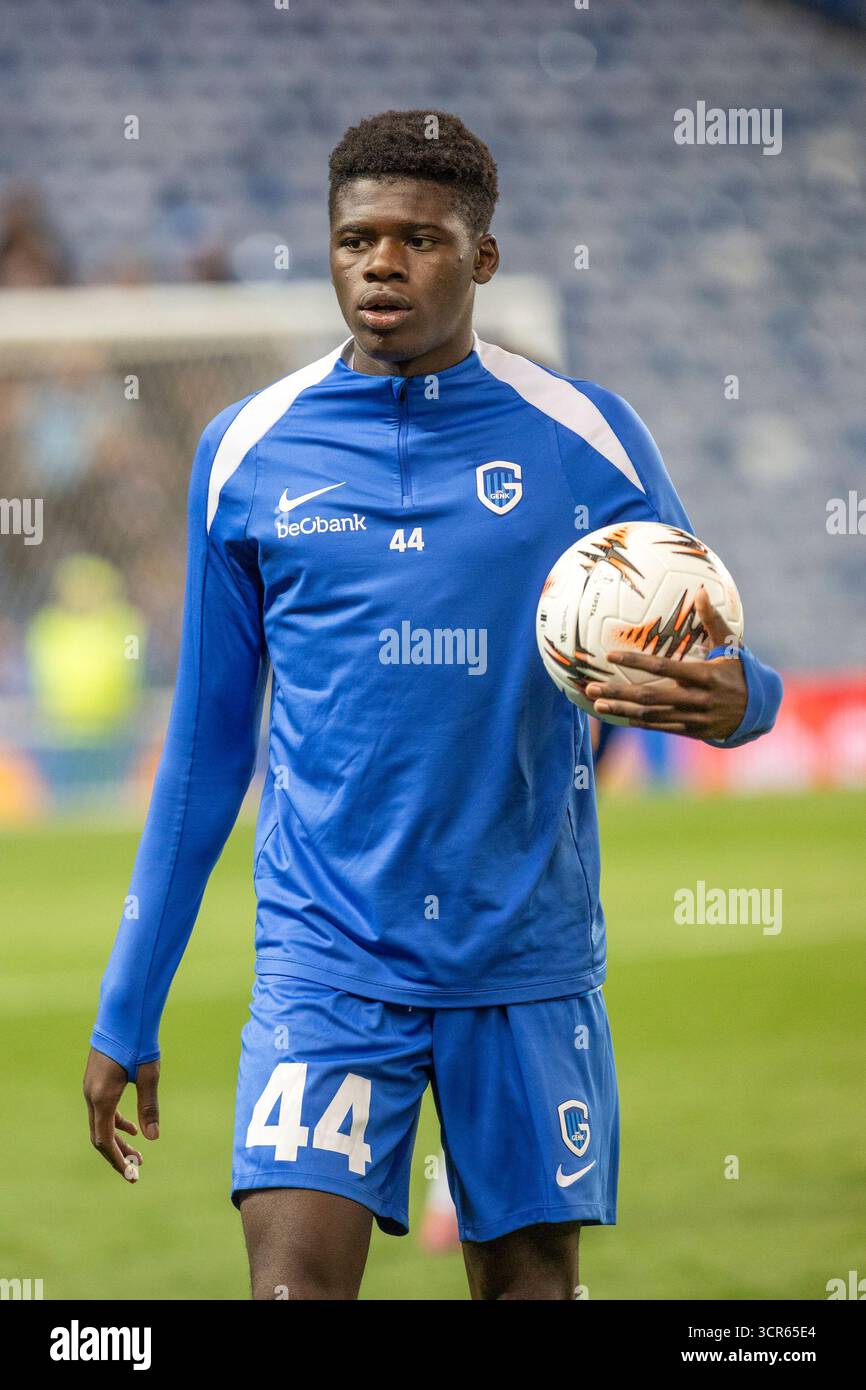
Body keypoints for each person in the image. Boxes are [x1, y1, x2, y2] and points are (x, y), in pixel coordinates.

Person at [84, 109, 783, 1301]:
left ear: (483, 258)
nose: (382, 263)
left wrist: (734, 705)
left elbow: (725, 665)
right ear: (329, 245)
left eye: (420, 238)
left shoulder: (586, 439)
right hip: (325, 958)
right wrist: (127, 1003)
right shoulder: (246, 452)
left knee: (530, 1296)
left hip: (522, 955)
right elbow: (206, 757)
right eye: (357, 238)